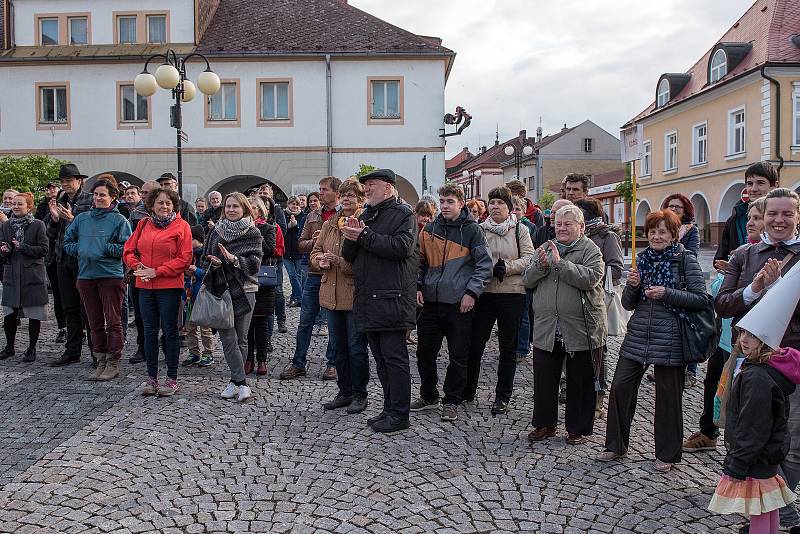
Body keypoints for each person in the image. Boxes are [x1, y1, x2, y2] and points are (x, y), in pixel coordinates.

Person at [598, 209, 707, 472]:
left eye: (662, 231)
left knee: (668, 397)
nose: (656, 236)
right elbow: (627, 303)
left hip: (671, 337)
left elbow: (701, 299)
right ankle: (615, 445)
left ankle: (667, 454)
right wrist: (633, 286)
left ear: (672, 234)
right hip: (639, 335)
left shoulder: (685, 259)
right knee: (620, 388)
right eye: (652, 232)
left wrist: (667, 293)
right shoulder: (643, 259)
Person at [683, 197, 768, 454]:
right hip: (729, 335)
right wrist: (738, 278)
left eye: (756, 218)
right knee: (718, 387)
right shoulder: (742, 253)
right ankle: (712, 435)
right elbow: (720, 294)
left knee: (746, 399)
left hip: (759, 342)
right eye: (749, 218)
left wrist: (739, 282)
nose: (750, 222)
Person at [341, 168, 418, 434]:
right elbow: (350, 256)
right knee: (382, 360)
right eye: (365, 186)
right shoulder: (367, 214)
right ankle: (389, 408)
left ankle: (400, 414)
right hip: (370, 298)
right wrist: (351, 236)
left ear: (388, 187)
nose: (366, 190)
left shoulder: (404, 214)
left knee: (395, 359)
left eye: (371, 185)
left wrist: (364, 236)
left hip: (392, 298)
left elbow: (401, 248)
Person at [524, 205, 606, 446]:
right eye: (558, 224)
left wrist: (560, 264)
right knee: (545, 378)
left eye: (567, 224)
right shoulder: (546, 248)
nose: (561, 228)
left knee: (580, 380)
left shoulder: (591, 249)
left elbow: (591, 278)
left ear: (581, 227)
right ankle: (545, 424)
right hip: (548, 326)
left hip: (581, 327)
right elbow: (527, 280)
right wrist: (540, 265)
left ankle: (577, 428)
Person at [412, 183, 492, 422]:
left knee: (459, 355)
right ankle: (428, 395)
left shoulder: (473, 230)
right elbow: (419, 261)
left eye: (450, 202)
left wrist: (472, 292)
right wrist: (418, 286)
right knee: (424, 352)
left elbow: (484, 265)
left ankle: (452, 399)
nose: (445, 206)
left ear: (460, 203)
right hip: (431, 302)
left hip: (459, 303)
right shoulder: (428, 230)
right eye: (443, 202)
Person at [708, 327, 799, 534]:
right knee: (768, 505)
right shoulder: (765, 369)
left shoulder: (756, 377)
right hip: (767, 453)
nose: (744, 340)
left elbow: (753, 426)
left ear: (766, 341)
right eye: (742, 334)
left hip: (756, 456)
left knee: (759, 509)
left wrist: (736, 463)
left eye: (752, 336)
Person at [463, 186, 534, 414]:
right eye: (492, 202)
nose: (495, 206)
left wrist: (508, 267)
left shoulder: (519, 230)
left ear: (509, 207)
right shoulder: (479, 230)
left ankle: (502, 395)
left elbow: (529, 258)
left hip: (512, 293)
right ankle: (468, 389)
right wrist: (487, 269)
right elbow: (471, 257)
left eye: (500, 203)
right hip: (484, 293)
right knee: (475, 345)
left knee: (508, 348)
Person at [123, 188, 193, 397]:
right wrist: (138, 267)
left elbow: (184, 259)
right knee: (149, 331)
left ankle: (171, 378)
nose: (164, 207)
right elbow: (128, 250)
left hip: (169, 286)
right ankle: (151, 377)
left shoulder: (182, 226)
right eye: (160, 203)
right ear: (152, 205)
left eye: (168, 203)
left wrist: (157, 272)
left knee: (170, 331)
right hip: (145, 285)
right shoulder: (143, 224)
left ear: (174, 206)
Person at [64, 178, 132, 380]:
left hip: (110, 276)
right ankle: (100, 360)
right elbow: (68, 241)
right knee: (94, 322)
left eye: (103, 194)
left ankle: (113, 362)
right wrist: (82, 250)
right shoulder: (82, 218)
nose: (99, 198)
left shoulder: (120, 220)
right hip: (86, 276)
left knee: (113, 321)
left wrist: (105, 249)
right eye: (96, 194)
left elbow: (127, 248)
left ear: (112, 197)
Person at [312, 179, 370, 414]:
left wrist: (341, 262)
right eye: (344, 195)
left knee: (356, 347)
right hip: (330, 293)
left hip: (353, 293)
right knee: (338, 347)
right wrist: (321, 261)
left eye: (351, 195)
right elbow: (315, 252)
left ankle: (360, 393)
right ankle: (344, 391)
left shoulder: (363, 223)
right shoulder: (330, 224)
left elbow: (366, 262)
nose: (346, 199)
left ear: (360, 198)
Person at [280, 176, 342, 381]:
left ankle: (332, 363)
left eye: (324, 189)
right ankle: (299, 363)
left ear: (336, 192)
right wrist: (314, 242)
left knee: (333, 322)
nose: (320, 193)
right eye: (320, 189)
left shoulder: (343, 215)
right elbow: (300, 244)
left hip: (335, 274)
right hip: (314, 273)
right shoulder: (313, 215)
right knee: (305, 321)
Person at [204, 192, 263, 403]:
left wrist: (234, 260)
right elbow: (205, 258)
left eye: (235, 206)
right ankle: (242, 383)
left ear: (244, 209)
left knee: (241, 338)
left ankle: (234, 380)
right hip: (221, 289)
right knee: (227, 338)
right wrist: (216, 263)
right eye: (228, 206)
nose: (231, 210)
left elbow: (255, 264)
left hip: (246, 290)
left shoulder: (253, 232)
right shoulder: (215, 232)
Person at [575, 197, 624, 413]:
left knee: (598, 350)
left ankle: (598, 395)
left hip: (596, 300)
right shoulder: (576, 235)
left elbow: (616, 269)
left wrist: (590, 275)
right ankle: (578, 391)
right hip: (574, 299)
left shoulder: (607, 236)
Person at [48, 163, 94, 367]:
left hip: (82, 260)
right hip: (62, 258)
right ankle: (72, 350)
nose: (65, 184)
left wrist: (73, 219)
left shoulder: (90, 200)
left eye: (69, 180)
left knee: (89, 307)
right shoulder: (60, 201)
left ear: (79, 181)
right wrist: (56, 220)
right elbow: (50, 234)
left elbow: (93, 229)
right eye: (63, 181)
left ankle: (97, 352)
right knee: (70, 307)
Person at [0, 192, 48, 362]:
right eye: (14, 203)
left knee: (33, 313)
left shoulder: (38, 225)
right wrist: (5, 250)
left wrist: (23, 247)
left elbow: (43, 250)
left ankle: (32, 348)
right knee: (9, 313)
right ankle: (9, 347)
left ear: (29, 207)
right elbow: (2, 246)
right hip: (12, 273)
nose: (16, 206)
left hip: (32, 274)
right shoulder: (6, 226)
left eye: (20, 204)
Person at [715, 162, 779, 272]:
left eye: (760, 183)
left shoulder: (785, 218)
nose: (753, 189)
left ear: (774, 186)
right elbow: (720, 257)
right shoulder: (735, 219)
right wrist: (729, 266)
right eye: (749, 183)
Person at [245, 196, 280, 376]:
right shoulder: (241, 227)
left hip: (262, 279)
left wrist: (255, 233)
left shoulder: (267, 228)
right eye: (248, 207)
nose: (251, 210)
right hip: (245, 277)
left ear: (260, 210)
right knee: (246, 323)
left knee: (261, 322)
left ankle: (262, 359)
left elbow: (270, 249)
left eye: (254, 208)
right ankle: (248, 358)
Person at [127, 180, 159, 365]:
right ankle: (143, 347)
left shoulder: (167, 213)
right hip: (139, 269)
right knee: (140, 313)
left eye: (148, 192)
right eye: (143, 192)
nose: (144, 195)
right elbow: (130, 242)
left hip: (160, 271)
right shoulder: (136, 214)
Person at [35, 181, 66, 344]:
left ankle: (79, 329)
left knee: (74, 296)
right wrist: (54, 220)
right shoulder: (47, 214)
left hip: (70, 259)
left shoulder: (73, 214)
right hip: (53, 259)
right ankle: (63, 328)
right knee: (59, 296)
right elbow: (46, 236)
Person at [181, 225, 216, 368]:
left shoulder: (205, 254)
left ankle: (208, 353)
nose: (189, 241)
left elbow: (210, 274)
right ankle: (194, 352)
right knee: (189, 327)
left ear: (200, 240)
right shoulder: (187, 254)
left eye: (192, 239)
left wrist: (197, 270)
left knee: (205, 328)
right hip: (189, 297)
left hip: (203, 296)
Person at [283, 195, 306, 307]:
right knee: (292, 275)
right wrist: (289, 225)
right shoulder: (283, 215)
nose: (295, 206)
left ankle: (294, 297)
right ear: (288, 204)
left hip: (298, 251)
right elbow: (282, 231)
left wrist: (296, 226)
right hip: (286, 251)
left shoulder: (302, 216)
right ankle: (300, 298)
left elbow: (303, 232)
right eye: (293, 204)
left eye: (297, 204)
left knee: (298, 275)